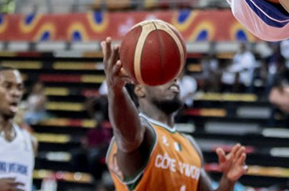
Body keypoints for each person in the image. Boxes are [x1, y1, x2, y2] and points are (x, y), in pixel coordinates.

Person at [101, 37, 248, 190]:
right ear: (140, 89)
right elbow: (128, 137)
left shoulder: (190, 145)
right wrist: (116, 90)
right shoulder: (143, 132)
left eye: (174, 75)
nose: (173, 79)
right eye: (162, 76)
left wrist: (228, 179)